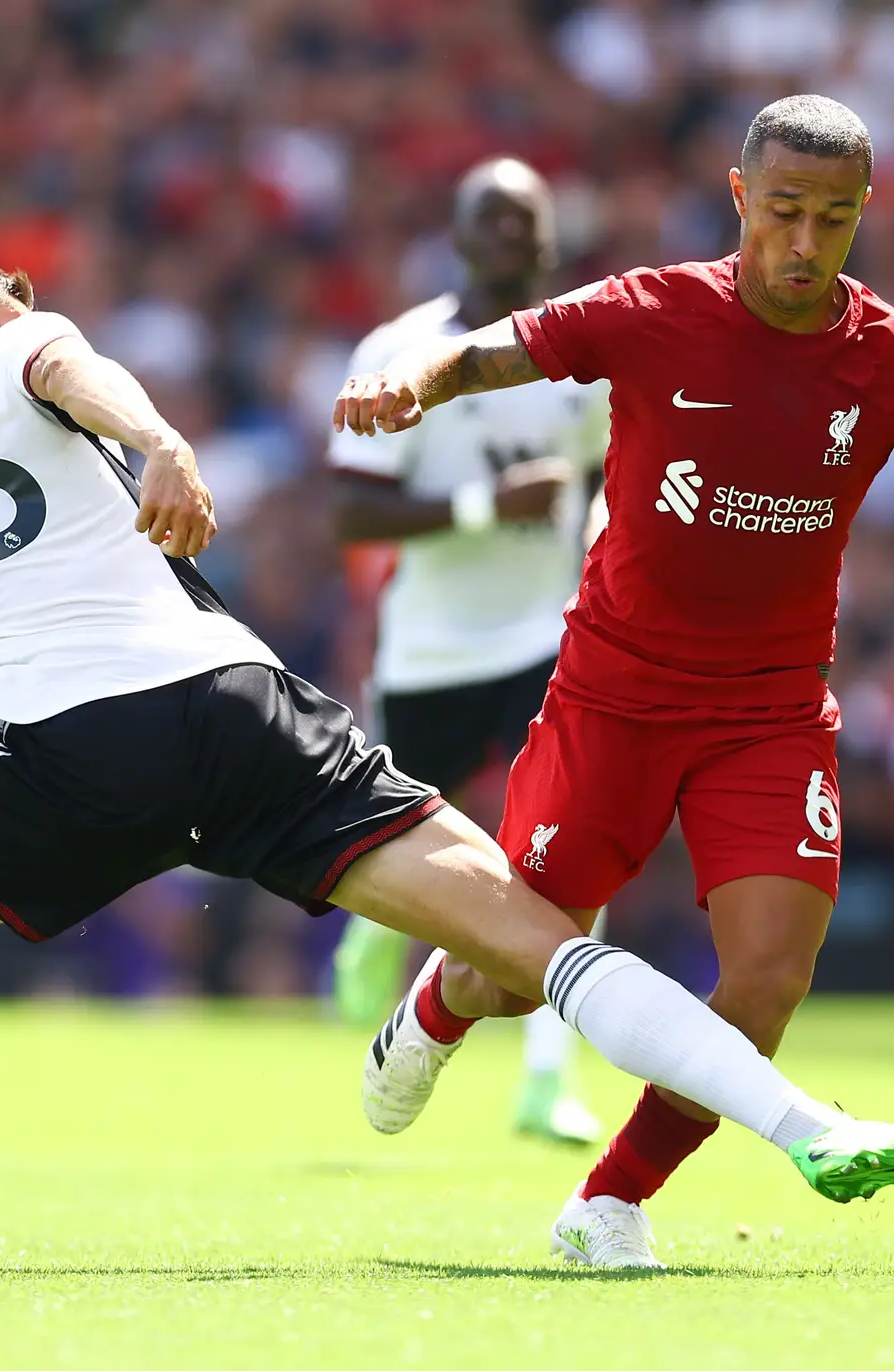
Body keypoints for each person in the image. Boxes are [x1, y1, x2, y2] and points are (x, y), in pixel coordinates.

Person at [0, 247, 894, 1267]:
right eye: (8, 306)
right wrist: (162, 443)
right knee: (529, 936)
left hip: (60, 757)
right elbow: (71, 371)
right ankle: (810, 1126)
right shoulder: (19, 340)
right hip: (233, 702)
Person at [333, 95, 894, 1270]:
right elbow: (510, 344)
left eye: (832, 221)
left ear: (861, 218)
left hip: (771, 715)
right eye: (783, 211)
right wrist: (418, 388)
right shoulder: (656, 310)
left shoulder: (893, 363)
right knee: (514, 977)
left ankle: (610, 1202)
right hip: (612, 696)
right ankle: (435, 1008)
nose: (804, 242)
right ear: (741, 197)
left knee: (771, 978)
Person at [328, 157, 606, 1145]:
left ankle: (547, 1074)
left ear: (549, 235)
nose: (507, 232)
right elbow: (348, 508)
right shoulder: (402, 350)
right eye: (488, 215)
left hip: (549, 633)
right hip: (433, 651)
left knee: (572, 843)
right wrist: (492, 505)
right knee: (403, 843)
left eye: (523, 215)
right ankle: (376, 928)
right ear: (455, 234)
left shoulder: (585, 353)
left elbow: (620, 467)